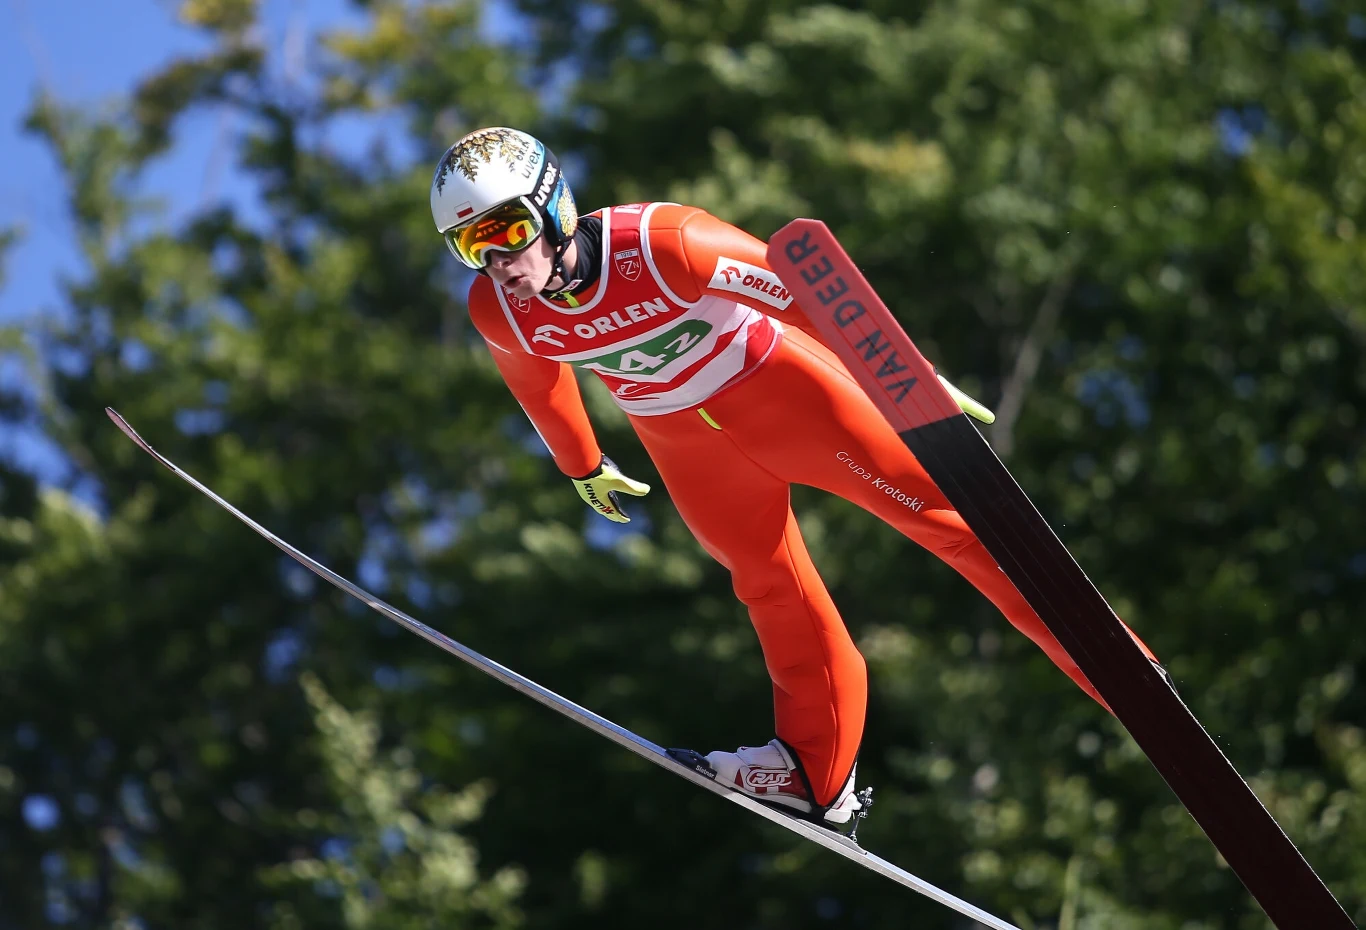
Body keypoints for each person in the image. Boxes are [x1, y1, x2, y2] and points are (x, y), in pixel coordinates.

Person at [430, 127, 1157, 829]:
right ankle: (815, 774)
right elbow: (539, 387)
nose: (497, 259)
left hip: (793, 401)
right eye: (471, 244)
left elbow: (800, 291)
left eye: (507, 231)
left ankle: (1117, 667)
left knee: (954, 530)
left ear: (553, 206)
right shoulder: (501, 309)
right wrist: (582, 465)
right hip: (690, 449)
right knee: (767, 584)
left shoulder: (665, 244)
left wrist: (907, 375)